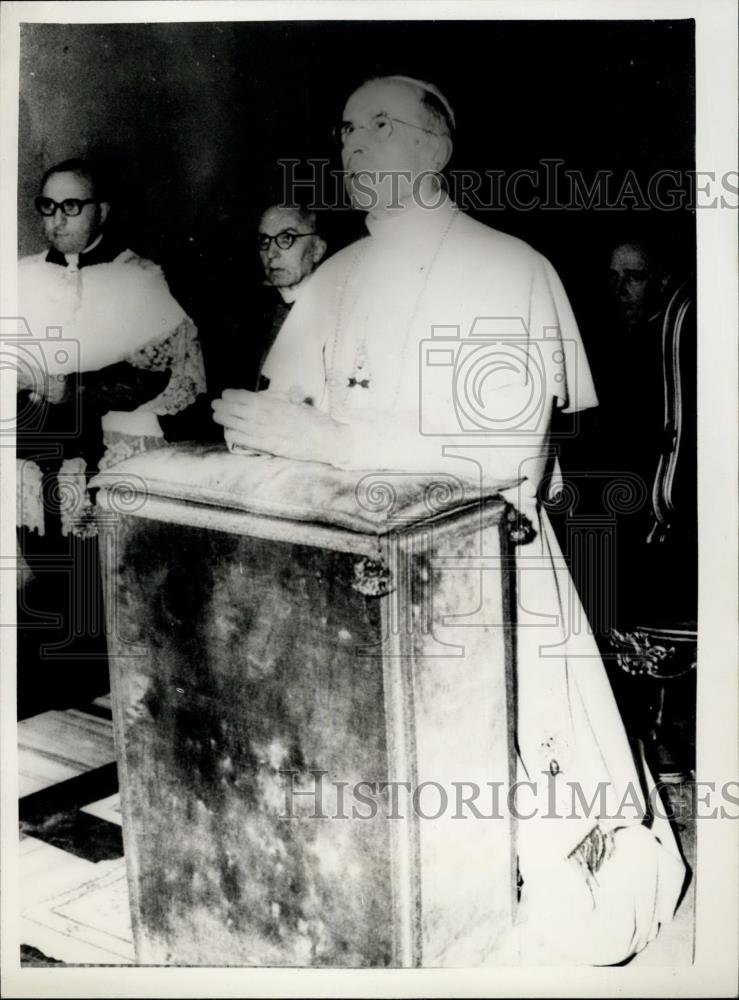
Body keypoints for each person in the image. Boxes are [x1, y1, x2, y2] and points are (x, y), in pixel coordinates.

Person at [213, 76, 686, 965]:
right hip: (346, 566)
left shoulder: (510, 268)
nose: (352, 147)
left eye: (379, 127)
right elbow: (286, 421)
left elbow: (507, 457)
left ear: (436, 148)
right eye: (345, 130)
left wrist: (327, 435)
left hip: (485, 566)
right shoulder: (338, 274)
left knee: (533, 852)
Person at [16, 157, 205, 711]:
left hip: (105, 452)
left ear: (102, 210)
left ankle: (100, 697)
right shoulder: (22, 274)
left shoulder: (137, 277)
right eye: (47, 207)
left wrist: (65, 389)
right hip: (35, 453)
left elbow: (157, 372)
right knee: (47, 573)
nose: (57, 220)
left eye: (71, 206)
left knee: (101, 584)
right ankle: (54, 698)